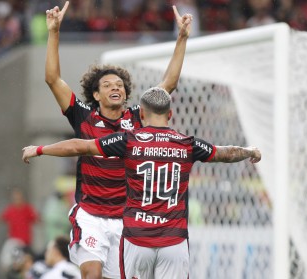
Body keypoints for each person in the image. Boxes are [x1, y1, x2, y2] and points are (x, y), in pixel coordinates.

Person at [22, 87, 262, 278]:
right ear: (170, 114)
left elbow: (80, 145)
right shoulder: (186, 143)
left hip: (137, 239)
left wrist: (40, 149)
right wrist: (249, 150)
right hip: (173, 240)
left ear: (142, 115)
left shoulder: (129, 141)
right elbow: (225, 153)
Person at [44, 2, 192, 278]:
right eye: (108, 85)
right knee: (92, 273)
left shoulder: (139, 116)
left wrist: (181, 38)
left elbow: (168, 84)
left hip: (126, 219)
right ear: (96, 95)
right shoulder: (82, 116)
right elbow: (52, 79)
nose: (116, 87)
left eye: (120, 85)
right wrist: (54, 32)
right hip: (90, 215)